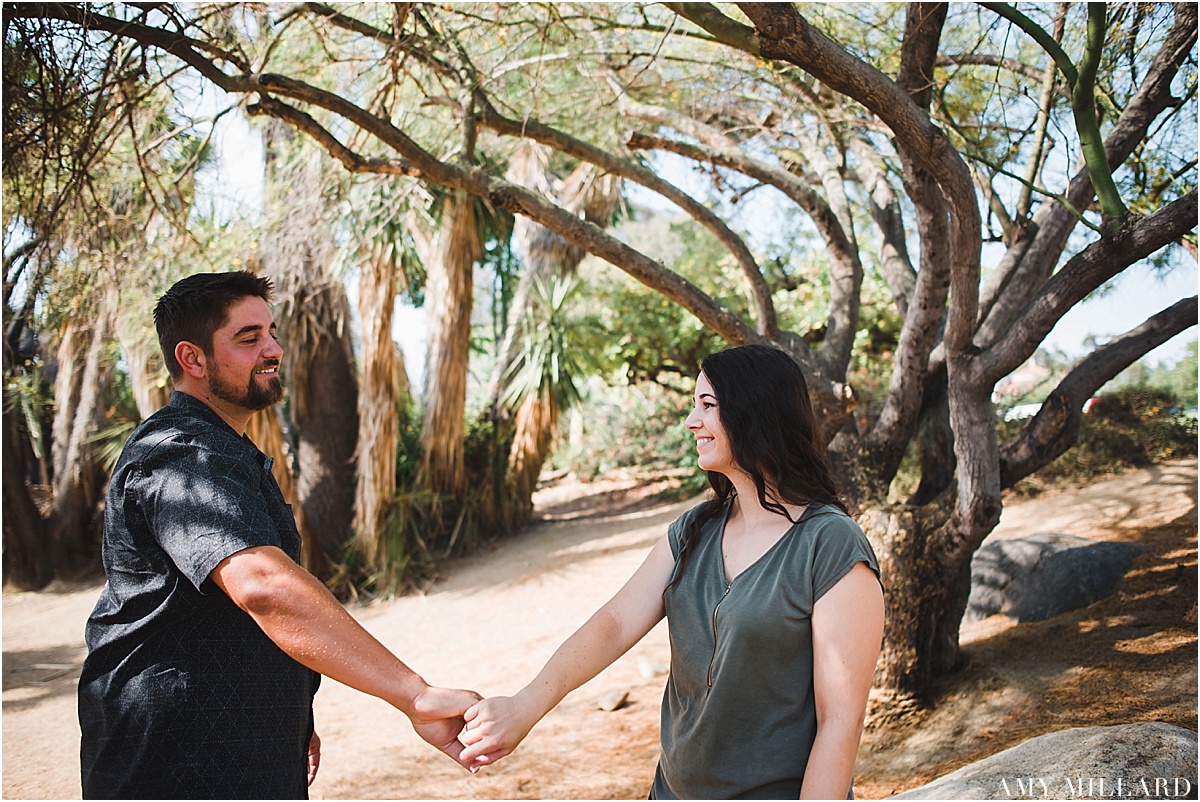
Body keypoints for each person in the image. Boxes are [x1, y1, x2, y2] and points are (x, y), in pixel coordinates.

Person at [78, 271, 480, 799]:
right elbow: (262, 585)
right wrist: (414, 694)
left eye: (271, 332)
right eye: (249, 339)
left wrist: (290, 714)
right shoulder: (181, 453)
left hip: (237, 747)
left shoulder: (224, 450)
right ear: (192, 359)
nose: (274, 349)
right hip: (175, 758)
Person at [457, 344, 885, 799]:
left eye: (707, 405)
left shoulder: (830, 544)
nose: (691, 421)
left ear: (755, 412)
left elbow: (841, 720)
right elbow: (615, 623)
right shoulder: (693, 531)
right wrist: (525, 705)